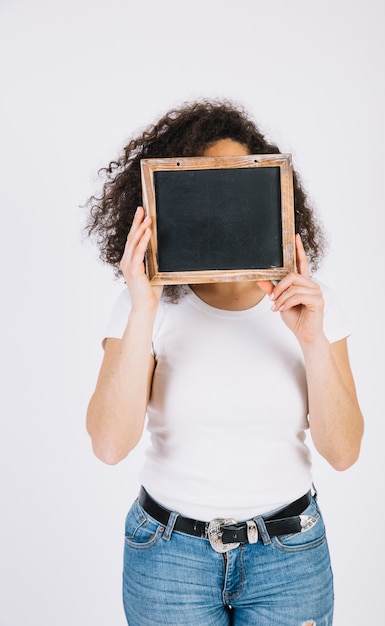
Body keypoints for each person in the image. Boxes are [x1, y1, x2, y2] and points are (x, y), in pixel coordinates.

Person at [85, 99, 364, 626]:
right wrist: (142, 308)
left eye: (239, 184)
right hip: (169, 558)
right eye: (206, 187)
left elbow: (344, 451)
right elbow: (108, 445)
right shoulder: (143, 305)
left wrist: (311, 339)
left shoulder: (312, 303)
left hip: (289, 556)